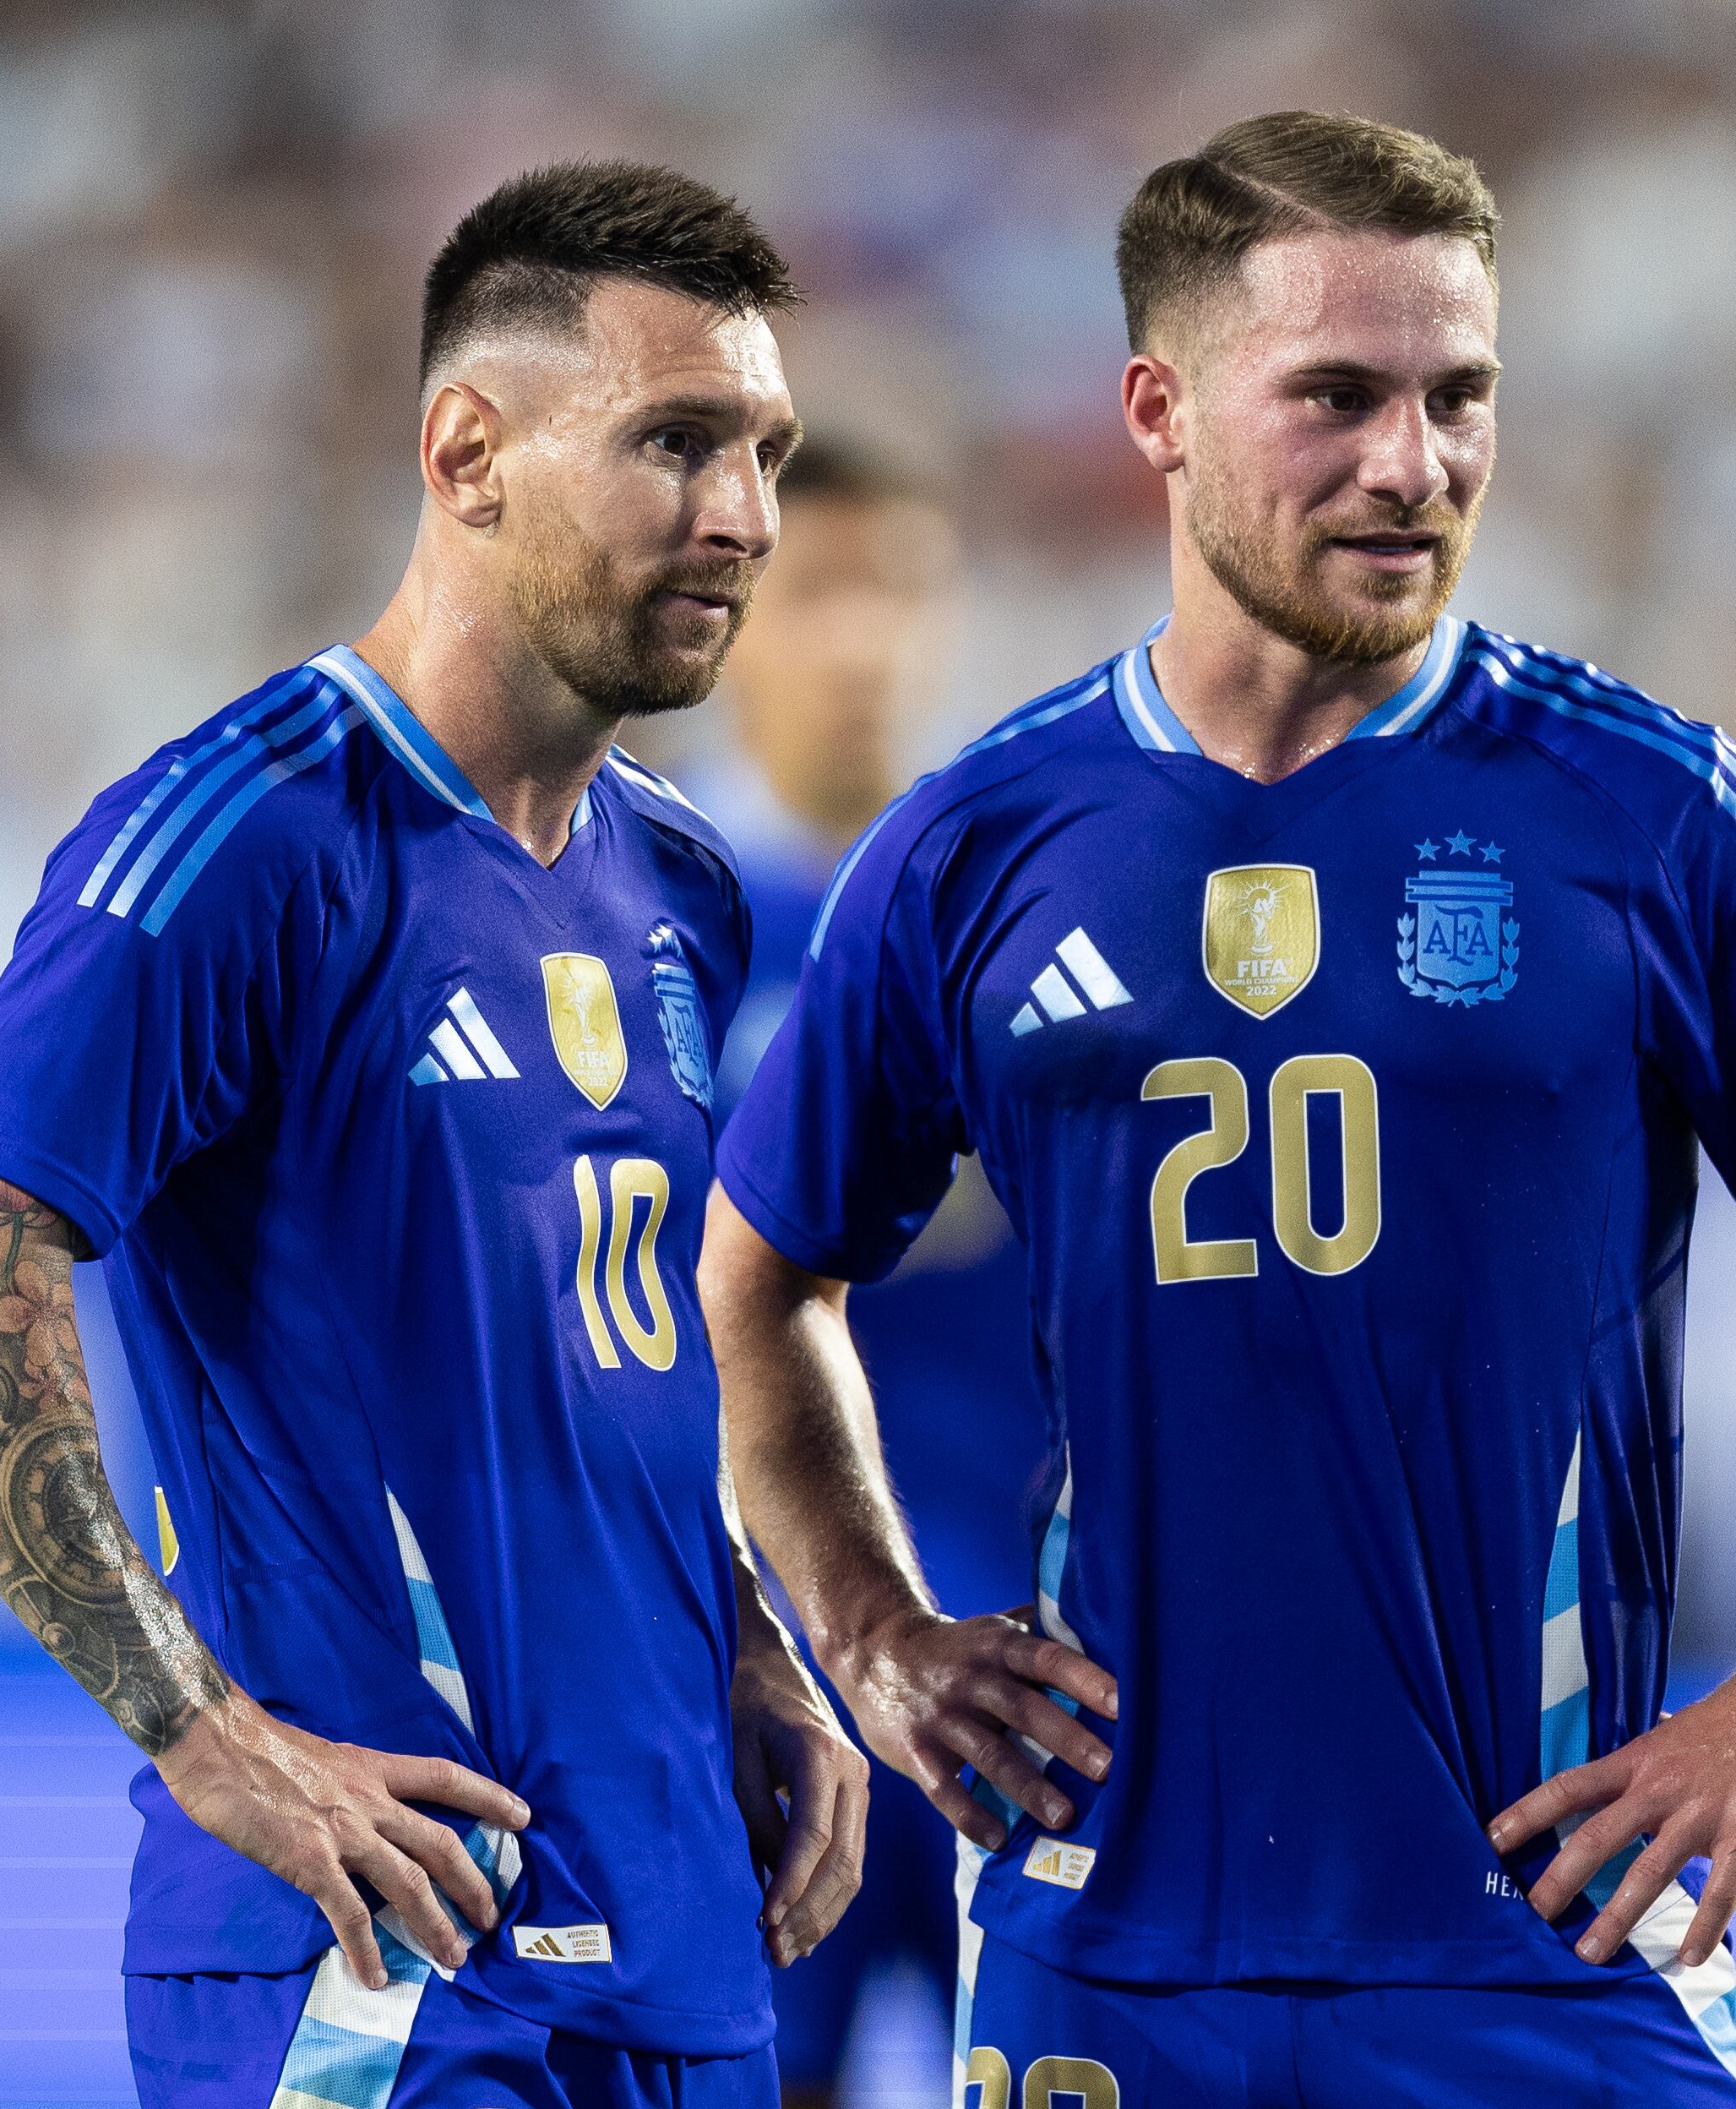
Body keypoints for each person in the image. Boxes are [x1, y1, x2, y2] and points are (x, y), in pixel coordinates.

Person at [703, 112, 1736, 2107]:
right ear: (1159, 411)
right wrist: (870, 1630)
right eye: (1335, 396)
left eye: (1458, 398)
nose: (1411, 466)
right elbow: (761, 1279)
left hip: (1548, 1944)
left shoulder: (1650, 813)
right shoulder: (978, 847)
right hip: (1108, 1955)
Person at [0, 161, 868, 2109]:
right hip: (375, 1971)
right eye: (674, 442)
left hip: (677, 1949)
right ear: (468, 450)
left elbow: (608, 1355)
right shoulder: (245, 835)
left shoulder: (683, 883)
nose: (742, 514)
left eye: (766, 450)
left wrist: (741, 1637)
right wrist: (204, 1735)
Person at [679, 442, 1048, 2106]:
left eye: (899, 590)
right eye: (814, 593)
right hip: (752, 1670)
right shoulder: (642, 924)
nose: (862, 640)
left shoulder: (1036, 911)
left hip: (1039, 1672)